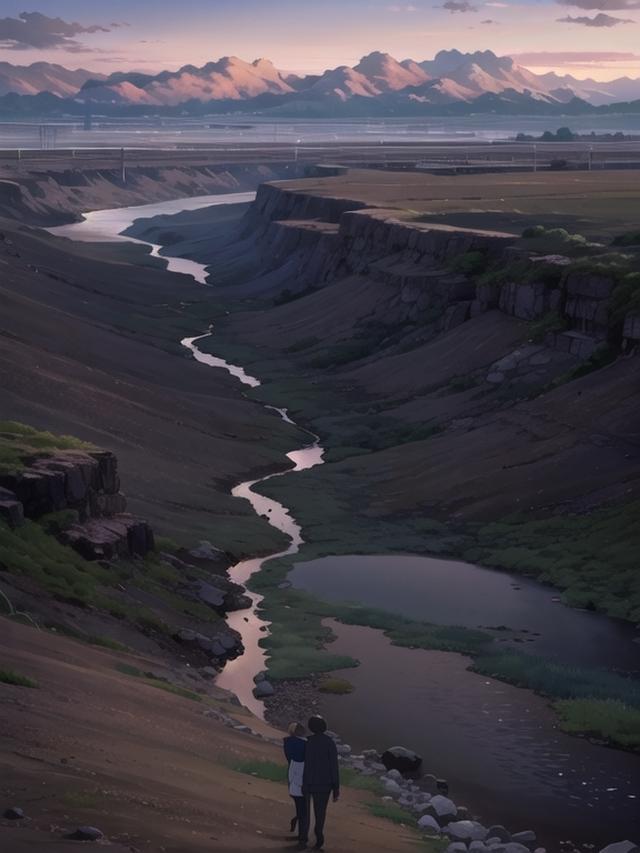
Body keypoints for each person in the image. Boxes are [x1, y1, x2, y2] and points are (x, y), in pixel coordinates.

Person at [299, 715, 340, 851]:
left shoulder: (307, 742)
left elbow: (302, 764)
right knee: (320, 813)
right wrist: (336, 789)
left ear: (311, 727)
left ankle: (303, 838)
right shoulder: (330, 743)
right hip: (324, 785)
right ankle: (319, 837)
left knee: (305, 812)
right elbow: (334, 767)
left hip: (308, 782)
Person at [283, 722, 307, 844]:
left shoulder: (287, 742)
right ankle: (300, 832)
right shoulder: (305, 744)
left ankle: (297, 824)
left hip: (292, 774)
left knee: (299, 804)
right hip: (303, 777)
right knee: (304, 806)